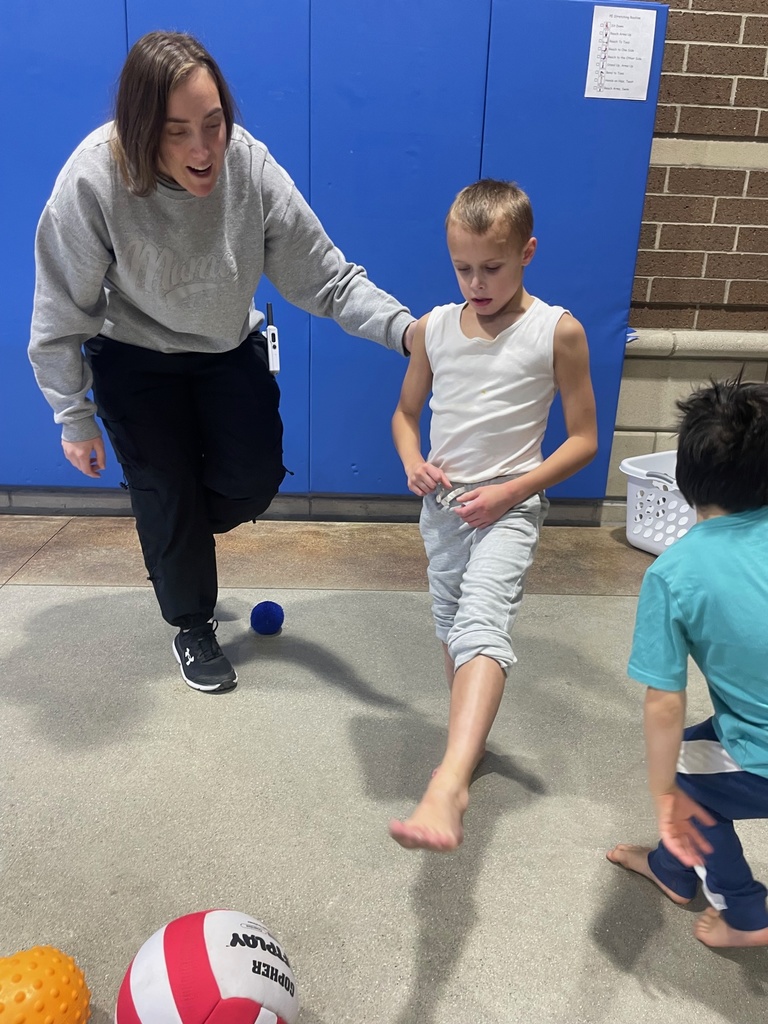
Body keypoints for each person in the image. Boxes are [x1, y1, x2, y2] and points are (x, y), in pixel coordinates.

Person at [28, 31, 415, 695]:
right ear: (140, 128)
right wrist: (74, 415)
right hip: (133, 358)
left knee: (252, 478)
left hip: (227, 346)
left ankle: (170, 522)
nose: (203, 150)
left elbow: (327, 278)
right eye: (177, 132)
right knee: (168, 489)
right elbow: (61, 309)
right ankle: (192, 622)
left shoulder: (250, 168)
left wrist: (410, 332)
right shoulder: (93, 178)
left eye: (213, 125)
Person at [389, 178, 598, 851]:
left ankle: (450, 781)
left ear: (528, 251)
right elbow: (404, 414)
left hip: (510, 506)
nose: (477, 283)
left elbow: (584, 439)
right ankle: (465, 748)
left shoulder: (556, 331)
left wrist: (513, 492)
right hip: (445, 509)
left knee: (483, 616)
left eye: (493, 267)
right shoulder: (432, 329)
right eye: (462, 267)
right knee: (451, 625)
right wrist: (412, 458)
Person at [607, 377, 768, 949]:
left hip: (763, 750)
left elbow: (664, 703)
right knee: (705, 743)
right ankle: (673, 870)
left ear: (683, 477)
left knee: (686, 777)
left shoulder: (675, 574)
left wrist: (664, 795)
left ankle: (748, 916)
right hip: (748, 731)